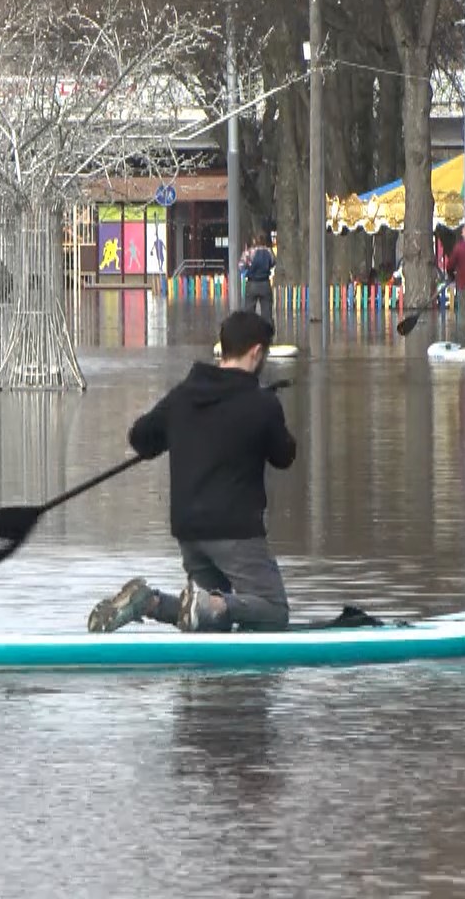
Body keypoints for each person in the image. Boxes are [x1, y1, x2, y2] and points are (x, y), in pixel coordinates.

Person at [87, 311, 297, 634]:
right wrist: (271, 415)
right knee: (273, 612)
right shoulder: (261, 404)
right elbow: (284, 456)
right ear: (257, 352)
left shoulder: (183, 396)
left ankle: (150, 603)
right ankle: (212, 604)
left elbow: (141, 437)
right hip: (236, 531)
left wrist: (176, 432)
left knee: (208, 627)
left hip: (189, 531)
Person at [241, 237, 276, 321]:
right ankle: (267, 328)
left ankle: (250, 327)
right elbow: (273, 263)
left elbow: (241, 266)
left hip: (252, 284)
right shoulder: (269, 251)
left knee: (249, 313)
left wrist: (248, 269)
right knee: (267, 313)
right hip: (265, 283)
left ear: (254, 241)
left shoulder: (249, 252)